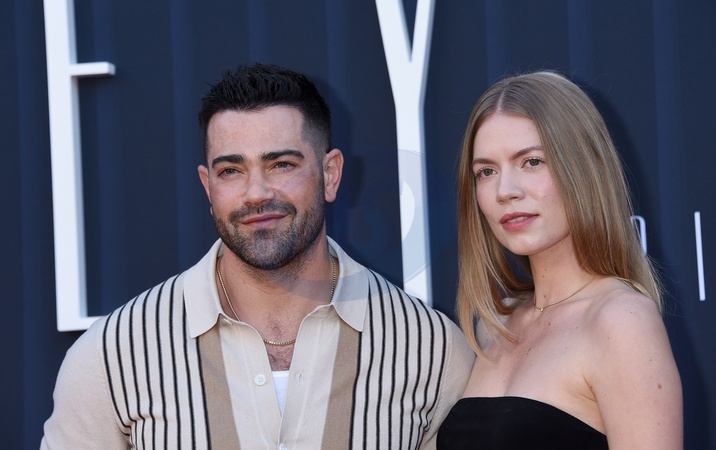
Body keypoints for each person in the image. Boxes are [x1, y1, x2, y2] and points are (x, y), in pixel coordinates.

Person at [41, 63, 475, 449]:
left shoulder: (430, 349)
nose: (256, 194)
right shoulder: (112, 356)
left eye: (281, 164)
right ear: (208, 187)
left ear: (330, 175)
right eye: (231, 170)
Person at [437, 71, 682, 449]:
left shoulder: (621, 322)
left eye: (531, 162)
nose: (505, 191)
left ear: (583, 167)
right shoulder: (493, 326)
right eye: (486, 171)